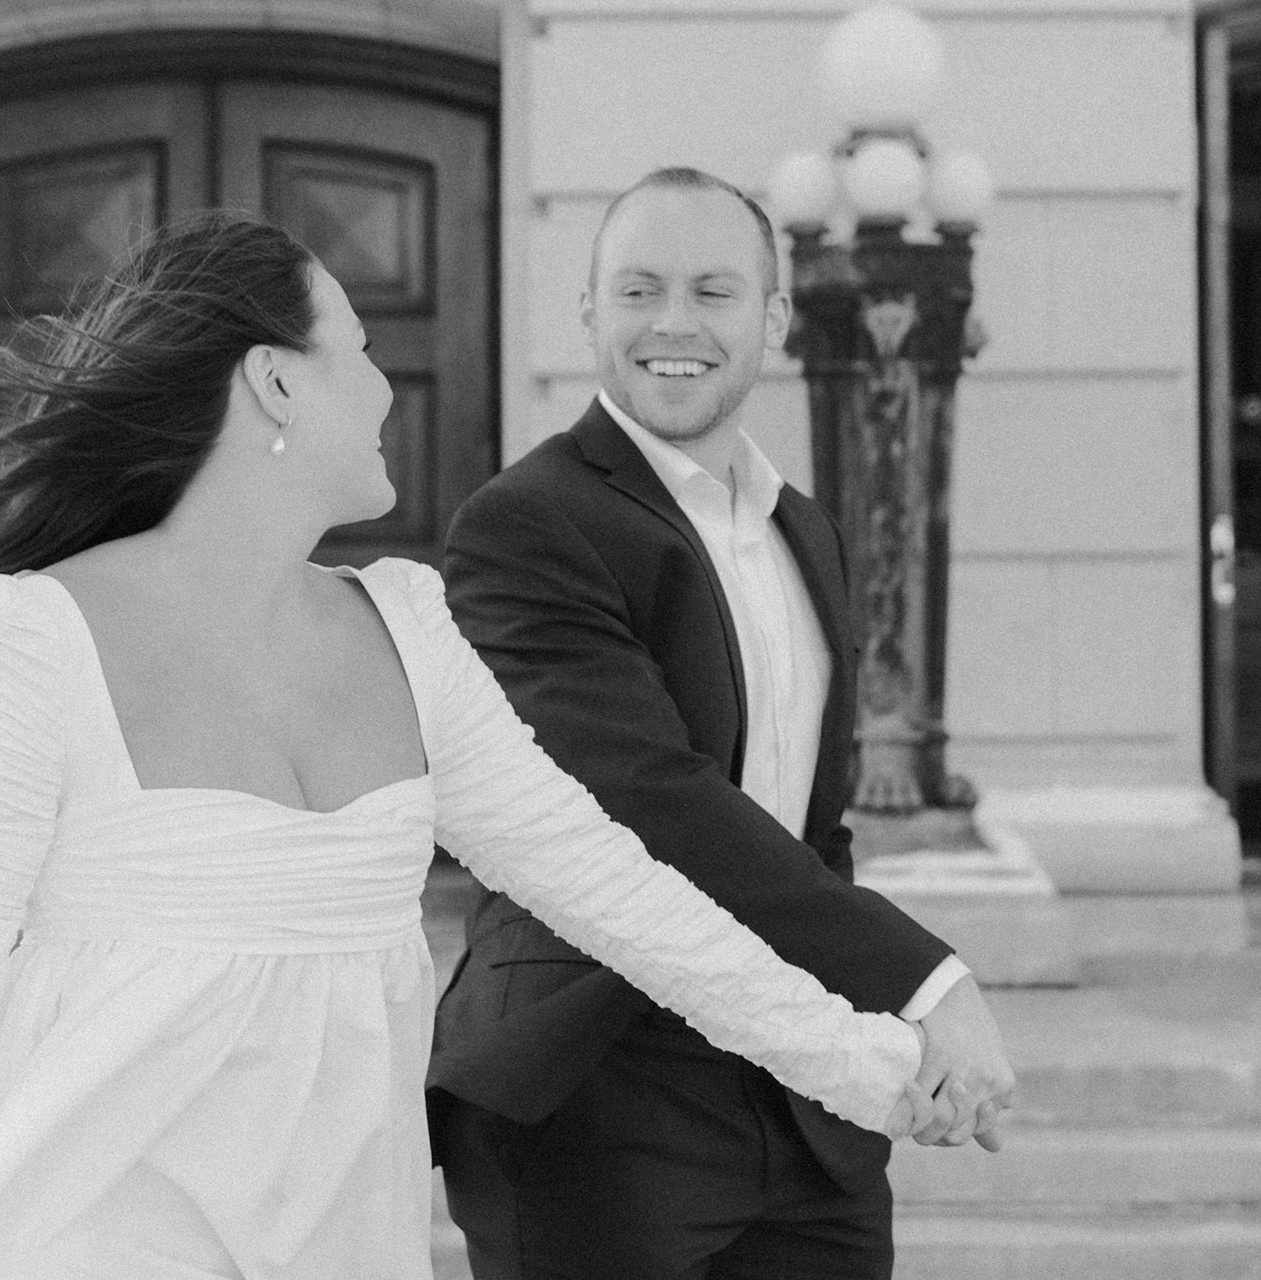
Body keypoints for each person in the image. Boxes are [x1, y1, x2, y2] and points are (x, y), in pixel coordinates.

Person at [0, 211, 939, 1280]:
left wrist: (857, 1057)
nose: (389, 387)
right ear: (277, 381)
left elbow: (617, 891)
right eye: (366, 348)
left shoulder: (409, 627)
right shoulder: (21, 644)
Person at [428, 168, 1018, 1280]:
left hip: (804, 1117)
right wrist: (927, 981)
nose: (675, 324)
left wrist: (873, 1042)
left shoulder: (805, 532)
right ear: (591, 311)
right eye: (640, 290)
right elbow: (655, 802)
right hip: (598, 1093)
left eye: (714, 290)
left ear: (777, 319)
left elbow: (810, 832)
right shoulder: (527, 524)